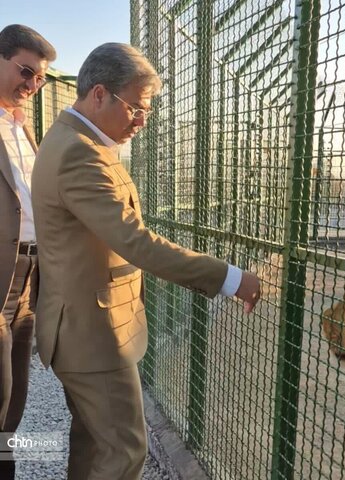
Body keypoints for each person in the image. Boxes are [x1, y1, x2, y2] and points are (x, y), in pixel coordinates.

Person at [31, 42, 261, 480]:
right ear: (99, 94)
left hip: (86, 326)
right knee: (124, 454)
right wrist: (229, 278)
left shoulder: (80, 142)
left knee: (94, 447)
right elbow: (137, 242)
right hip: (92, 334)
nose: (141, 120)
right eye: (135, 107)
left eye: (147, 110)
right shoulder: (78, 153)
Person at [0, 24, 56, 479]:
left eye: (40, 78)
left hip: (29, 278)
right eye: (26, 71)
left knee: (16, 396)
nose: (33, 85)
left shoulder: (22, 128)